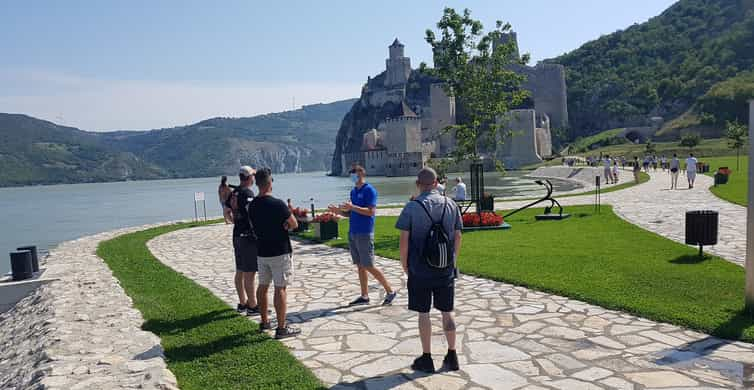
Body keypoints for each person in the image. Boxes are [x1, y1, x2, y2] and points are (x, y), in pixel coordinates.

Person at [396, 167, 463, 373]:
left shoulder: (412, 207)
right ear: (436, 183)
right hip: (445, 269)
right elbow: (458, 235)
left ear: (418, 184)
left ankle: (427, 358)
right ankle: (452, 355)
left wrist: (404, 264)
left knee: (423, 313)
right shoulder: (451, 204)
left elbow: (404, 240)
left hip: (420, 269)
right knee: (447, 311)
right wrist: (452, 260)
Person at [329, 165, 397, 306]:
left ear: (361, 174)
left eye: (354, 174)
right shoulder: (353, 192)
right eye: (351, 175)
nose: (352, 177)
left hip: (365, 232)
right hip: (353, 232)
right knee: (360, 265)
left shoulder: (369, 190)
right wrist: (338, 211)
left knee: (369, 265)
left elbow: (371, 211)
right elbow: (350, 213)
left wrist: (352, 207)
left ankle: (390, 291)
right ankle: (364, 296)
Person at [249, 168, 300, 339]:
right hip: (280, 250)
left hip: (262, 251)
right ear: (270, 182)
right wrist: (286, 221)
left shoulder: (252, 205)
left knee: (263, 286)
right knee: (280, 288)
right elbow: (294, 224)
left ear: (257, 183)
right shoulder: (278, 204)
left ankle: (264, 322)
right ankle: (281, 328)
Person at [230, 166, 260, 315]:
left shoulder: (234, 192)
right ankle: (253, 306)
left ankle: (242, 303)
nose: (254, 179)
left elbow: (227, 212)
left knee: (240, 270)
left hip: (237, 234)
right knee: (250, 272)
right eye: (253, 176)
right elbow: (253, 213)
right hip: (248, 236)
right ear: (249, 178)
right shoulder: (247, 193)